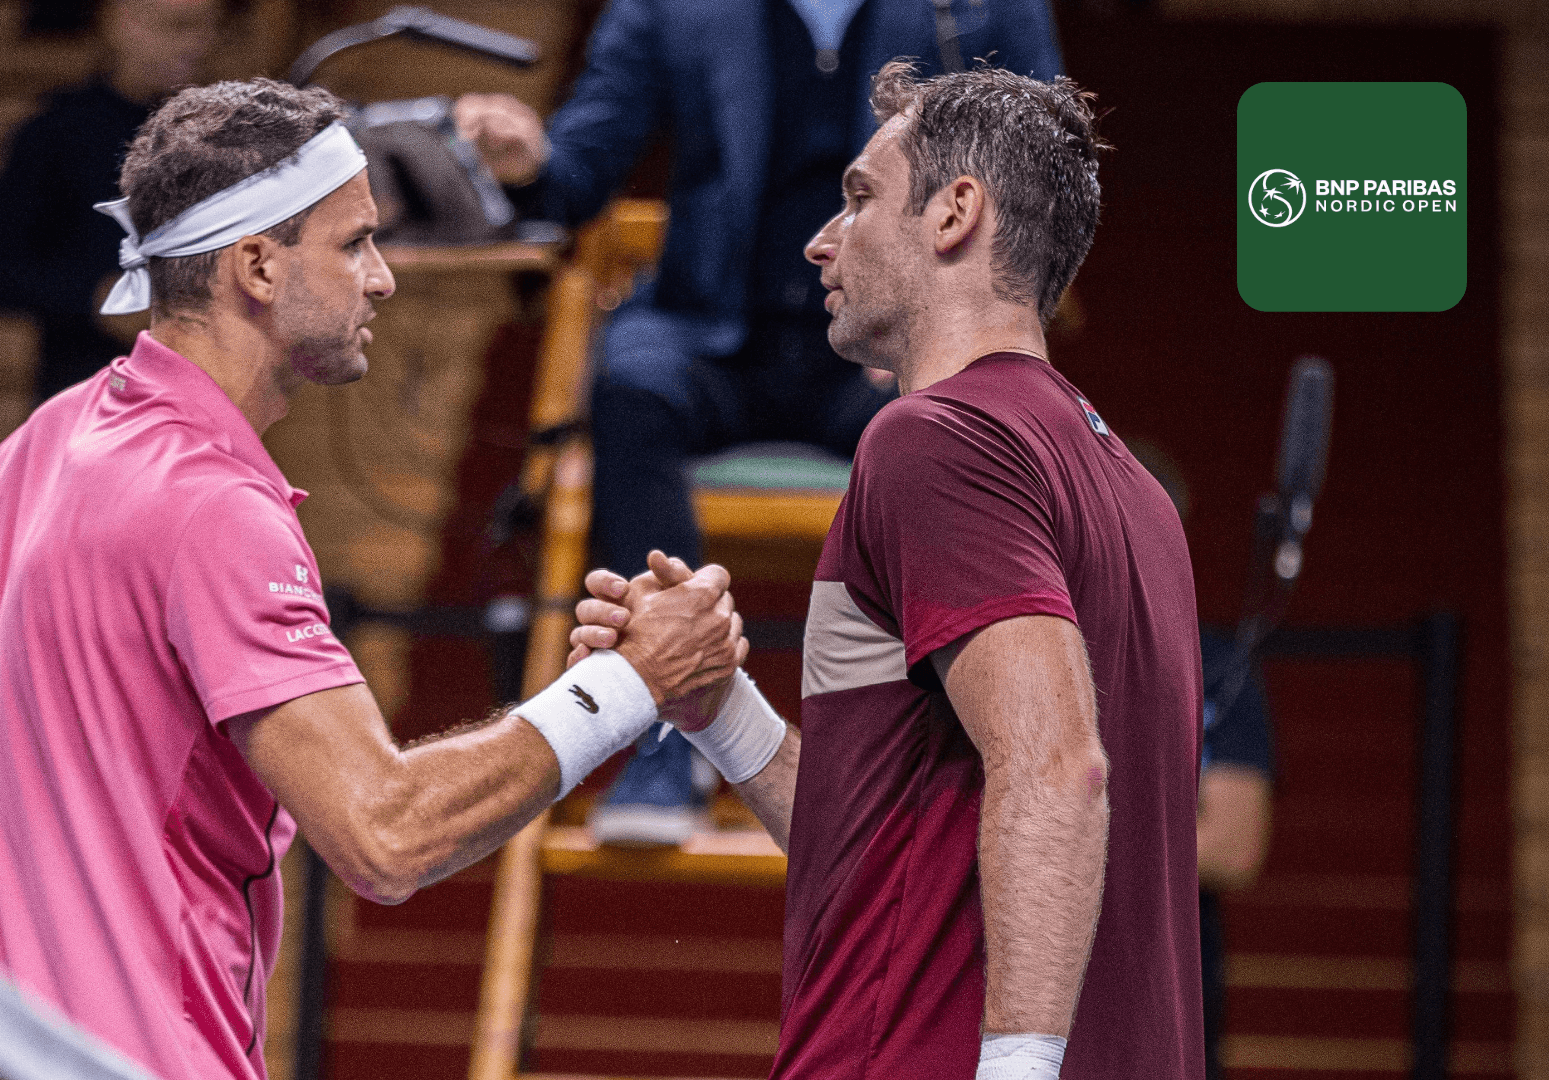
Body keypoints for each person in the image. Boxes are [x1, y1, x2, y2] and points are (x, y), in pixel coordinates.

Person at [0, 78, 746, 1080]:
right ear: (258, 266)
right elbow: (386, 833)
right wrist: (627, 685)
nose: (383, 280)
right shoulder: (216, 508)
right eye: (354, 244)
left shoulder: (44, 441)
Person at [572, 65, 1205, 1078]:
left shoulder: (933, 439)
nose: (821, 241)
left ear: (956, 212)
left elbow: (1057, 768)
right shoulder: (1131, 486)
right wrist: (717, 706)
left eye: (860, 198)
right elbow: (881, 850)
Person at [454, 0, 1064, 845]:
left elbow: (1040, 182)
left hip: (880, 350)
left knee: (961, 422)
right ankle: (663, 732)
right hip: (711, 339)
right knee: (628, 383)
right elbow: (578, 173)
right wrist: (528, 162)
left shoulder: (982, 6)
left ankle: (945, 749)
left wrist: (944, 320)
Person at [0, 0, 228, 403]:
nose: (199, 45)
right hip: (89, 390)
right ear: (122, 24)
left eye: (210, 28)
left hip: (203, 392)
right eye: (178, 27)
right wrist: (96, 296)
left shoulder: (228, 133)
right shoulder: (59, 131)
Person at [1127, 439, 1276, 1080]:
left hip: (1163, 997)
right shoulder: (1018, 647)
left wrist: (1054, 834)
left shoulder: (1215, 666)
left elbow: (1233, 846)